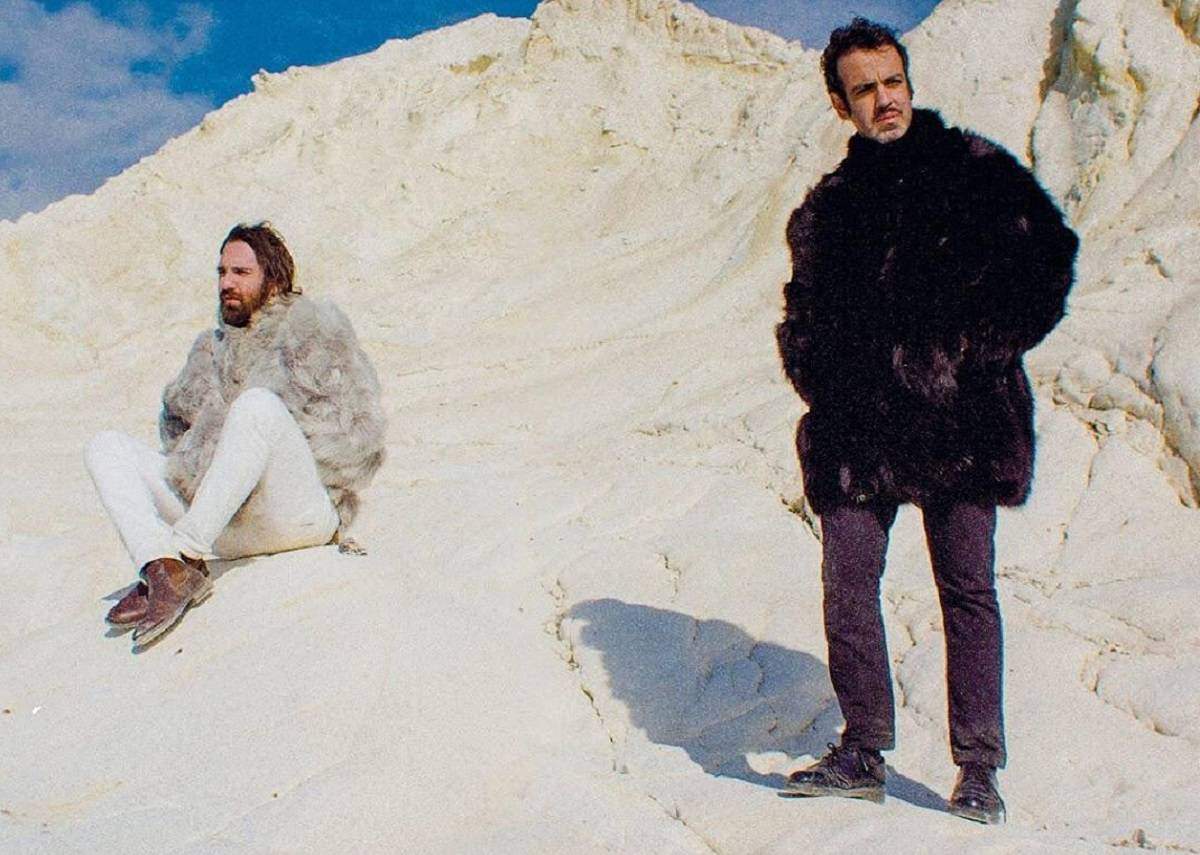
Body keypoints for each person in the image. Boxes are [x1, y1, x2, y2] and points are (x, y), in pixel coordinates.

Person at [775, 18, 1078, 824]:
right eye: (865, 90)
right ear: (841, 104)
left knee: (967, 591)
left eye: (893, 82)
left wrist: (973, 352)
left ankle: (978, 769)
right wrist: (825, 382)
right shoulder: (827, 211)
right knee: (847, 585)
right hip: (862, 430)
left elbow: (1051, 258)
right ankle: (863, 750)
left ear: (909, 82)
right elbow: (802, 317)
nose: (885, 100)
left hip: (961, 422)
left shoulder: (975, 171)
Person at [86, 222, 387, 648]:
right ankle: (162, 567)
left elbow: (357, 437)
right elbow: (175, 434)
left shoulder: (313, 332)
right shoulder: (209, 350)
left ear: (274, 281)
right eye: (222, 272)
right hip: (224, 527)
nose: (226, 283)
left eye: (241, 273)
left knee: (257, 405)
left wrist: (276, 454)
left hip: (298, 515)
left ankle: (184, 554)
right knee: (106, 447)